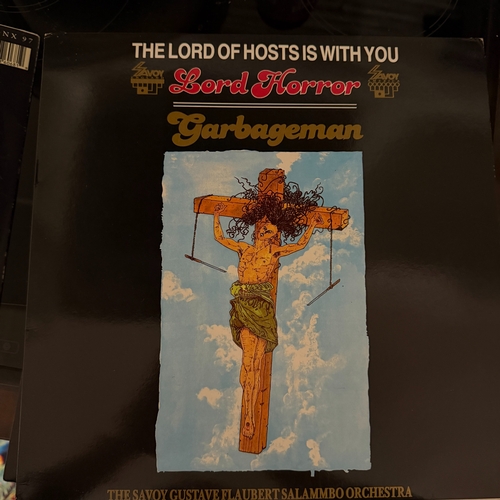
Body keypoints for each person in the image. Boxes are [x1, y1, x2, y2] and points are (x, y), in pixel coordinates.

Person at [213, 202, 323, 438]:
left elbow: (299, 245)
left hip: (261, 309)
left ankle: (250, 417)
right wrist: (217, 214)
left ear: (274, 236)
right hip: (243, 306)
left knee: (255, 364)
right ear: (256, 231)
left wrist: (312, 225)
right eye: (262, 228)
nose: (264, 231)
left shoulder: (274, 252)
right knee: (247, 362)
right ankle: (248, 411)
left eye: (269, 230)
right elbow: (220, 238)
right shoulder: (243, 249)